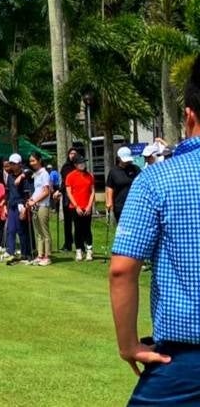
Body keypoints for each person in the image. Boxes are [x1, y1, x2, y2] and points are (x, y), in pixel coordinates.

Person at [109, 56, 200, 403]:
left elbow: (122, 270)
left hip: (183, 363)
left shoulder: (156, 179)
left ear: (189, 115)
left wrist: (128, 343)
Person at [2, 153, 33, 264]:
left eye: (14, 164)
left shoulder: (25, 175)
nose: (12, 165)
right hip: (12, 205)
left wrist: (25, 207)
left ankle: (26, 253)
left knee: (22, 231)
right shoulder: (9, 175)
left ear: (19, 164)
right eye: (11, 163)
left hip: (21, 205)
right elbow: (8, 192)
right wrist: (5, 205)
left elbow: (30, 172)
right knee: (10, 229)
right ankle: (10, 251)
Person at [24, 152, 53, 266]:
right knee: (38, 232)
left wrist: (34, 201)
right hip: (35, 205)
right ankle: (40, 255)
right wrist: (31, 200)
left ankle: (47, 256)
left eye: (33, 160)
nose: (32, 163)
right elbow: (37, 191)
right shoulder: (36, 174)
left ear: (39, 160)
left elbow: (46, 191)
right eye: (30, 161)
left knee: (44, 231)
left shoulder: (44, 173)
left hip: (43, 206)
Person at [65, 155, 95, 261]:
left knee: (87, 229)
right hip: (75, 207)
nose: (83, 165)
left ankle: (89, 250)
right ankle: (78, 250)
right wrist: (76, 206)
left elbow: (92, 192)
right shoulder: (70, 176)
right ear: (75, 165)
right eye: (80, 163)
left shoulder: (89, 176)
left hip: (87, 206)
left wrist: (89, 206)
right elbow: (69, 193)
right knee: (77, 229)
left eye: (83, 163)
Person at [106, 146, 141, 226]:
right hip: (120, 206)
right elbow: (109, 187)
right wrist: (109, 201)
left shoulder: (136, 169)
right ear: (119, 158)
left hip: (135, 204)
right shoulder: (113, 172)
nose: (127, 162)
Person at [58, 146, 79, 251]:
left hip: (78, 197)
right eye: (71, 153)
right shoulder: (65, 167)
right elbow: (63, 182)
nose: (73, 155)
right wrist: (59, 191)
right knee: (67, 222)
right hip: (67, 197)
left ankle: (79, 243)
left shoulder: (79, 166)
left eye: (75, 153)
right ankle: (68, 244)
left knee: (78, 222)